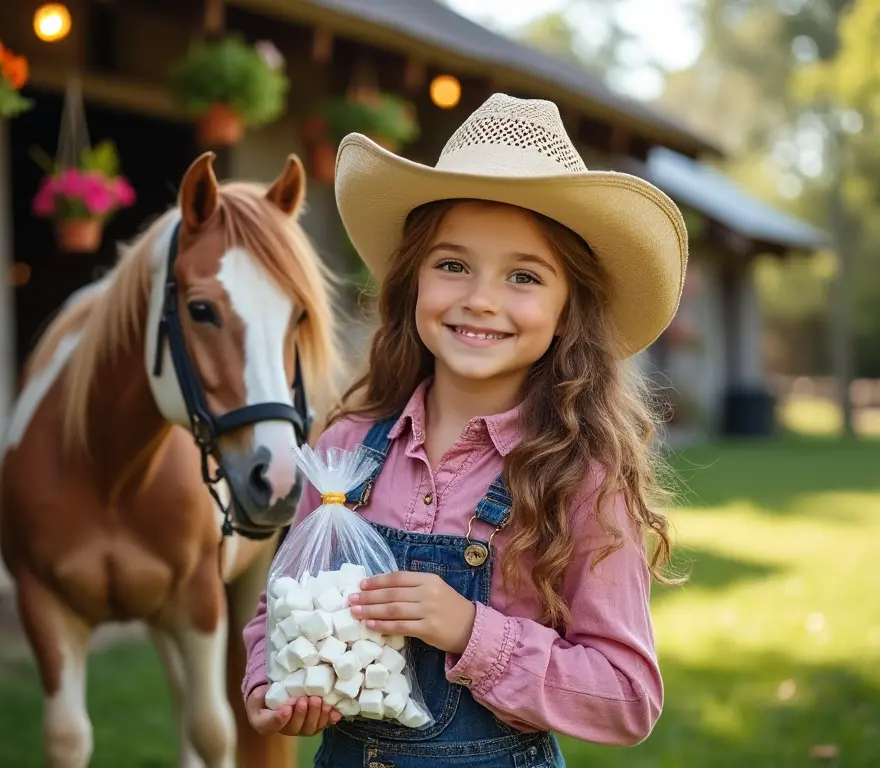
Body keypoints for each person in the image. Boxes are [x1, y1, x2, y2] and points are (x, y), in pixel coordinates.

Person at [241, 93, 687, 767]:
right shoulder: (344, 454)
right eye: (453, 265)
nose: (481, 298)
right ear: (413, 280)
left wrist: (471, 632)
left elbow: (626, 697)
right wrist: (272, 684)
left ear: (569, 312)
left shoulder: (583, 478)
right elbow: (275, 613)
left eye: (524, 276)